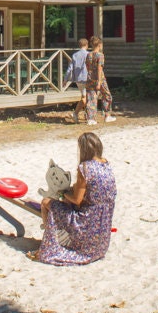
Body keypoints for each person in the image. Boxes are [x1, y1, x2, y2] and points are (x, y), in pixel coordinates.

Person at [30, 131, 116, 265]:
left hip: (86, 223)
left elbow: (77, 200)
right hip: (102, 232)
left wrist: (63, 193)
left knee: (46, 202)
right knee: (65, 205)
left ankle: (51, 244)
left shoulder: (85, 168)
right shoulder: (106, 164)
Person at [84, 36, 115, 124]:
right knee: (107, 95)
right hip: (100, 79)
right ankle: (107, 115)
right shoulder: (100, 55)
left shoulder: (88, 55)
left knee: (91, 98)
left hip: (90, 78)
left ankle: (91, 119)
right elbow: (99, 69)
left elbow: (87, 66)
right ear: (100, 45)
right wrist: (99, 81)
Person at [66, 38, 90, 124]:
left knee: (85, 97)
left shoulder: (75, 55)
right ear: (87, 45)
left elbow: (70, 68)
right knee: (85, 98)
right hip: (86, 78)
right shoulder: (88, 54)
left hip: (78, 79)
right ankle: (75, 114)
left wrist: (66, 79)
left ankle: (87, 115)